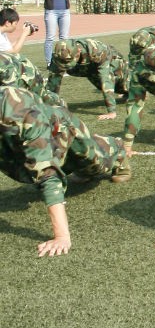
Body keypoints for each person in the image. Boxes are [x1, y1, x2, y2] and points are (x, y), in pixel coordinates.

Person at [0, 86, 131, 256]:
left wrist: (61, 237)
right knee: (22, 170)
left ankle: (116, 149)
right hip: (13, 137)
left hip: (61, 130)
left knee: (92, 163)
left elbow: (47, 174)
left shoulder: (24, 113)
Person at [47, 38, 131, 120]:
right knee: (100, 85)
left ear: (79, 51)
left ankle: (133, 90)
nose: (66, 65)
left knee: (124, 83)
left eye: (69, 61)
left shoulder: (96, 50)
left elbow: (106, 80)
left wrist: (111, 111)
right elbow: (53, 82)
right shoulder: (59, 56)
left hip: (112, 61)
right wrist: (49, 106)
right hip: (90, 69)